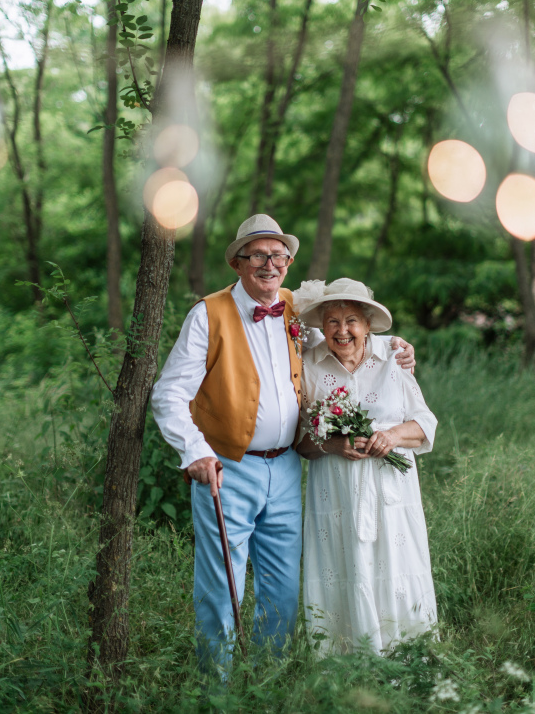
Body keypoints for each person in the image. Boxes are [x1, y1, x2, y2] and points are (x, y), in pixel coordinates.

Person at [150, 215, 415, 673]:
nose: (269, 264)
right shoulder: (207, 314)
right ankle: (218, 689)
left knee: (281, 585)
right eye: (257, 255)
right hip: (227, 467)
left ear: (289, 263)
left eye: (278, 255)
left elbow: (343, 334)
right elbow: (169, 393)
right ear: (238, 262)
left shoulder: (296, 309)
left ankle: (267, 680)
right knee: (222, 585)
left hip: (288, 467)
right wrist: (194, 451)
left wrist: (395, 345)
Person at [295, 278, 437, 656]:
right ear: (320, 327)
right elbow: (301, 442)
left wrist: (390, 437)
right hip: (336, 488)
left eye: (352, 320)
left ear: (368, 324)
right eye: (333, 322)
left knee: (395, 565)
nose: (343, 331)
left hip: (390, 490)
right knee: (343, 566)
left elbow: (425, 424)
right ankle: (345, 662)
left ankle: (406, 657)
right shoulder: (308, 364)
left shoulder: (394, 357)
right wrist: (334, 443)